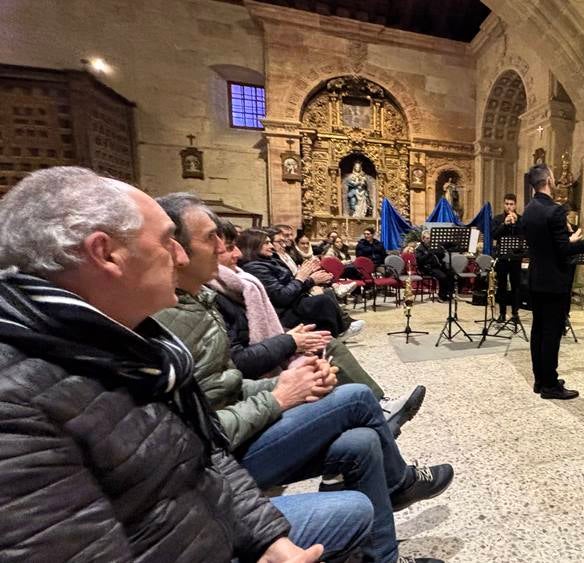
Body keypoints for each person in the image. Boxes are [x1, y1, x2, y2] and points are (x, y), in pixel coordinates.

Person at [0, 167, 371, 562]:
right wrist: (278, 395)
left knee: (355, 494)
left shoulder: (130, 343)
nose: (179, 256)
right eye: (165, 242)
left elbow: (205, 456)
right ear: (105, 253)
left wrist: (269, 541)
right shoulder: (16, 404)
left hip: (204, 519)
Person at [152, 194, 452, 563]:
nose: (225, 250)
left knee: (361, 442)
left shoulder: (199, 301)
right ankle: (400, 480)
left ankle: (384, 556)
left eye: (226, 241)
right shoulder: (167, 316)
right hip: (221, 459)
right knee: (355, 398)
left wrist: (284, 384)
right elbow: (199, 430)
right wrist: (279, 395)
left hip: (236, 429)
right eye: (213, 239)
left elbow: (224, 384)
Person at [210, 221, 424, 438]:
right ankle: (373, 407)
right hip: (274, 336)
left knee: (326, 333)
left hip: (279, 325)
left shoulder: (240, 280)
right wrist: (291, 339)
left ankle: (378, 406)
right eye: (229, 247)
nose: (237, 253)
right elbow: (241, 356)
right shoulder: (237, 281)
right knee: (323, 321)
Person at [522, 164, 584, 399]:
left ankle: (541, 380)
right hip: (554, 282)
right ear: (550, 180)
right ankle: (551, 386)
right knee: (551, 333)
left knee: (539, 330)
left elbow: (547, 245)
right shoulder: (555, 210)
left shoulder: (529, 209)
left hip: (536, 279)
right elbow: (562, 251)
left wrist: (568, 239)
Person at [238, 229, 363, 339]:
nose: (271, 246)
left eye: (271, 242)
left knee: (324, 297)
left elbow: (288, 282)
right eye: (266, 243)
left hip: (292, 301)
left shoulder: (269, 261)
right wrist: (307, 279)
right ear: (253, 245)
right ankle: (337, 333)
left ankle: (338, 331)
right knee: (322, 301)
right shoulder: (256, 267)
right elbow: (281, 297)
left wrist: (309, 278)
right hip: (281, 312)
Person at [491, 192, 523, 322]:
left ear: (515, 205)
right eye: (507, 204)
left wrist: (516, 224)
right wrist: (504, 224)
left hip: (516, 257)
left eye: (511, 204)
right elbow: (494, 235)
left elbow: (525, 236)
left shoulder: (520, 219)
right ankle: (502, 313)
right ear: (504, 204)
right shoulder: (498, 219)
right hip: (502, 257)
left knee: (516, 286)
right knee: (502, 286)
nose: (509, 207)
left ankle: (515, 313)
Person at [415, 229, 454, 301]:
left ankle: (449, 293)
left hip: (436, 266)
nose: (429, 240)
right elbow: (420, 261)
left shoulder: (434, 246)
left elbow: (441, 257)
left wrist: (441, 252)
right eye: (427, 238)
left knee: (451, 273)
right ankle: (442, 296)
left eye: (430, 238)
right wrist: (429, 253)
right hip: (427, 268)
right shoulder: (419, 248)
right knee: (443, 276)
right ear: (423, 239)